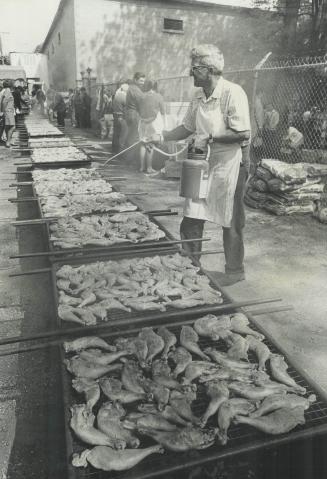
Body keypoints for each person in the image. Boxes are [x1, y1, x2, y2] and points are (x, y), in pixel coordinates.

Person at [161, 44, 251, 286]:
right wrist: (162, 136)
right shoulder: (197, 96)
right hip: (200, 163)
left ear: (209, 70)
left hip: (227, 164)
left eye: (195, 68)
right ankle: (190, 268)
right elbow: (188, 127)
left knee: (229, 220)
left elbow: (242, 133)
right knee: (191, 215)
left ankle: (234, 271)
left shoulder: (233, 93)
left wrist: (211, 137)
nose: (191, 72)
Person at [138, 80, 165, 174]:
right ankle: (149, 168)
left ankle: (142, 167)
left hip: (142, 122)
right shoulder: (158, 96)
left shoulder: (142, 96)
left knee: (143, 143)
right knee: (150, 144)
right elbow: (163, 111)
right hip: (153, 123)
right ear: (156, 86)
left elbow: (138, 109)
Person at [125, 72, 145, 148]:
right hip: (134, 115)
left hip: (130, 114)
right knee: (134, 137)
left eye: (143, 81)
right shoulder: (136, 90)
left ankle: (127, 156)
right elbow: (142, 103)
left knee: (130, 135)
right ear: (135, 80)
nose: (142, 83)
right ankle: (129, 158)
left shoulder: (131, 88)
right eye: (141, 81)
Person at [112, 82, 129, 152]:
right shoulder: (124, 97)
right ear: (126, 90)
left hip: (115, 116)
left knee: (116, 134)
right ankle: (121, 151)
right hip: (122, 117)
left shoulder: (116, 95)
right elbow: (126, 108)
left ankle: (114, 149)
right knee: (123, 135)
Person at [0, 80, 16, 148]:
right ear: (10, 85)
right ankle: (8, 141)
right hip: (8, 111)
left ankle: (8, 141)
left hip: (7, 111)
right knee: (12, 127)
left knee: (7, 126)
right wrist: (2, 111)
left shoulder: (4, 91)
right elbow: (4, 102)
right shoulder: (7, 91)